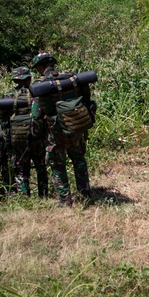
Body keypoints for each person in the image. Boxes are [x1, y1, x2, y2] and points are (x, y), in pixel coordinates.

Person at [30, 52, 92, 207]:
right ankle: (85, 194)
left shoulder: (42, 84)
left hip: (56, 130)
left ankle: (65, 201)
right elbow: (87, 99)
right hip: (76, 125)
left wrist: (36, 133)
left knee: (57, 164)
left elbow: (37, 114)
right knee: (79, 159)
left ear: (40, 66)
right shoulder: (71, 79)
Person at [7, 66, 49, 197]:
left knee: (21, 170)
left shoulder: (9, 98)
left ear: (15, 81)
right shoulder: (36, 94)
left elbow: (4, 122)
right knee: (41, 167)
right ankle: (43, 196)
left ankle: (24, 197)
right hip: (37, 137)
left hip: (18, 138)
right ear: (29, 79)